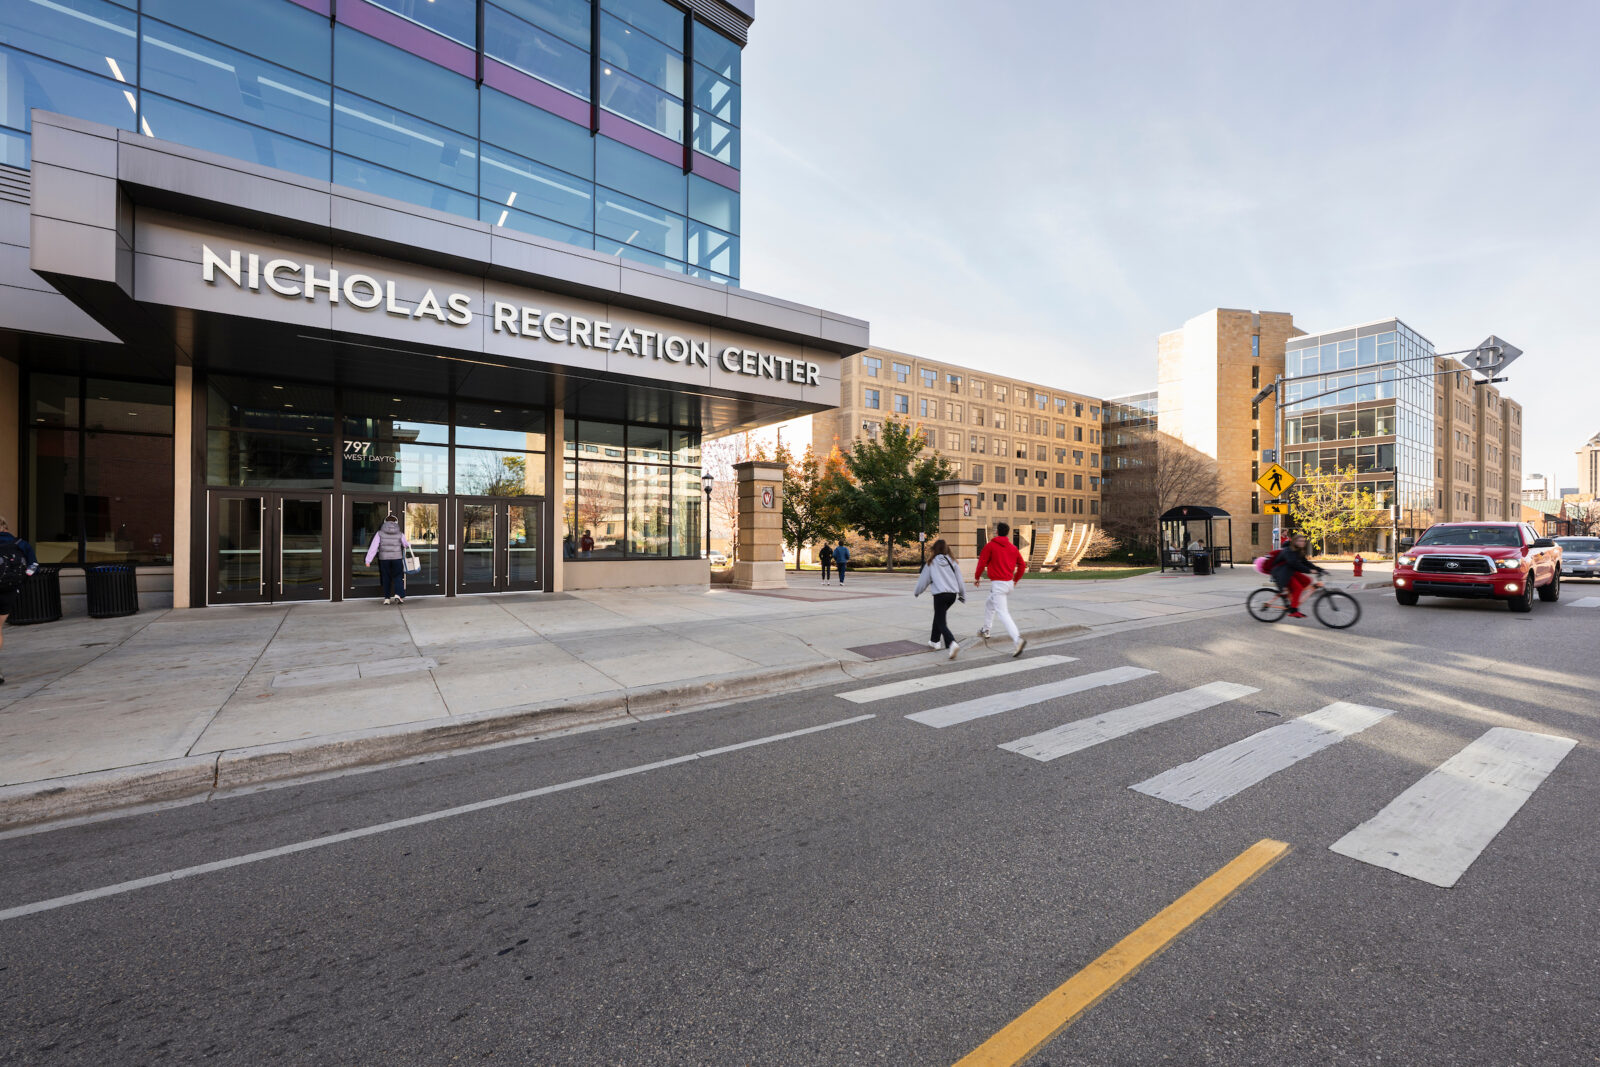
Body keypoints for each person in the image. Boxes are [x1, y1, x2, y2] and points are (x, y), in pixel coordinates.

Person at [974, 521, 1028, 658]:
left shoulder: (990, 546)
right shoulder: (1013, 548)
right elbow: (1022, 566)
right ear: (1008, 533)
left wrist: (977, 577)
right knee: (989, 604)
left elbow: (982, 562)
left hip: (998, 584)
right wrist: (1016, 580)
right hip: (1008, 583)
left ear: (997, 532)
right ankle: (986, 629)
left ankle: (1018, 640)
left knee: (1003, 613)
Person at [0, 516, 40, 685]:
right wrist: (23, 579)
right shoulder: (21, 544)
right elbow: (34, 565)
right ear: (5, 526)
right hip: (8, 591)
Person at [914, 538, 964, 660]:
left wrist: (917, 592)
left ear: (934, 550)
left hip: (940, 595)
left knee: (941, 621)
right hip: (952, 595)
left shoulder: (931, 563)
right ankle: (934, 641)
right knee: (939, 616)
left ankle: (952, 643)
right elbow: (960, 580)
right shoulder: (953, 561)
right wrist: (962, 595)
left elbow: (923, 581)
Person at [1270, 532, 1327, 618]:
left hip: (1289, 571)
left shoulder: (1298, 550)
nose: (1302, 543)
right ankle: (1293, 610)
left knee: (1308, 581)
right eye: (1300, 541)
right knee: (1298, 588)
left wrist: (1319, 569)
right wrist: (1310, 570)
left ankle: (1293, 596)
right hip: (1281, 573)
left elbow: (1305, 562)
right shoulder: (1288, 550)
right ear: (1295, 542)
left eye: (1303, 541)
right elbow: (1294, 564)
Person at [364, 512, 411, 604]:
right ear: (396, 522)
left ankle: (387, 599)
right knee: (398, 576)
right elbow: (405, 545)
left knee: (386, 577)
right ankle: (398, 594)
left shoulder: (379, 533)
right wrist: (409, 544)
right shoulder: (400, 533)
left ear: (385, 522)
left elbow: (373, 547)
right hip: (397, 558)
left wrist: (368, 560)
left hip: (384, 559)